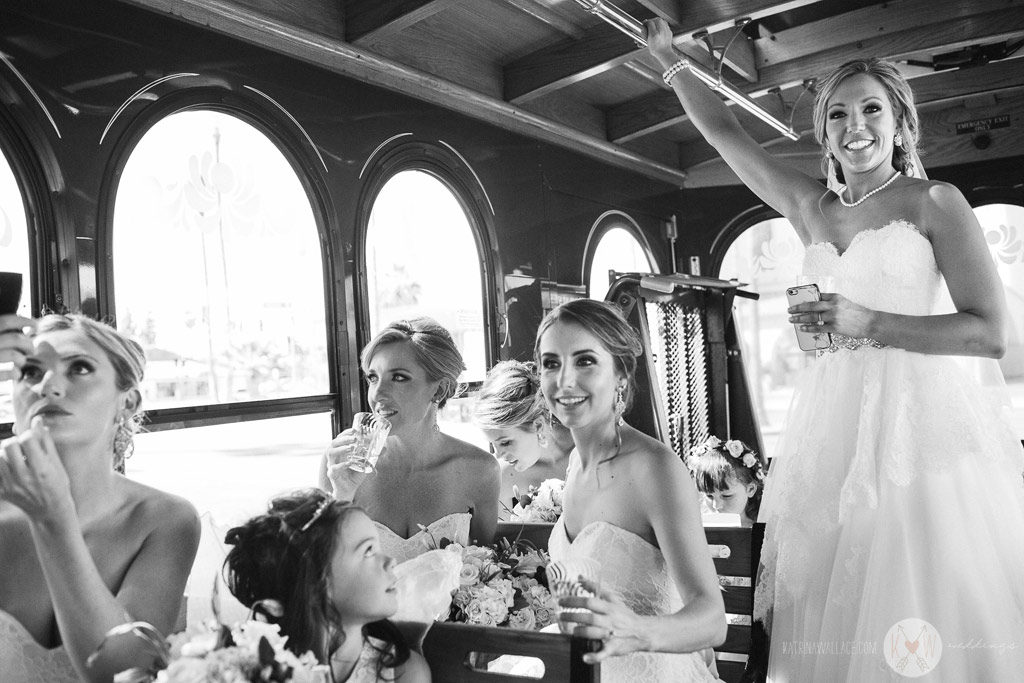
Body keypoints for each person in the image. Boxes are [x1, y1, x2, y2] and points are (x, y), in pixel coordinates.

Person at [647, 17, 1024, 680]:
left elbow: (990, 333)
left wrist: (865, 319)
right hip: (833, 440)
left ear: (902, 124)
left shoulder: (937, 202)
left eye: (873, 110)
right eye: (840, 115)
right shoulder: (811, 209)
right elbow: (723, 132)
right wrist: (670, 62)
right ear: (823, 135)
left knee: (923, 602)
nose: (857, 126)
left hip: (917, 439)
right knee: (834, 615)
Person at [0, 313, 200, 683]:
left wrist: (53, 520)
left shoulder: (165, 520)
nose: (49, 387)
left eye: (78, 368)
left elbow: (124, 673)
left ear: (127, 403)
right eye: (29, 372)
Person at [536, 298, 726, 681]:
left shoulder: (654, 469)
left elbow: (712, 621)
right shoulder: (574, 465)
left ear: (621, 373)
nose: (564, 381)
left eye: (585, 361)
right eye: (551, 363)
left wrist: (636, 630)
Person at [319, 318, 499, 561]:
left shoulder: (480, 470)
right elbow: (322, 571)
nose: (377, 394)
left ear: (440, 390)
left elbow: (488, 569)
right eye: (373, 378)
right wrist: (342, 493)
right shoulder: (341, 463)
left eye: (399, 377)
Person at [224, 489, 431, 682]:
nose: (390, 561)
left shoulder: (404, 673)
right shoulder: (251, 669)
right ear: (314, 584)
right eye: (368, 551)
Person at [473, 360, 573, 516]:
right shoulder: (502, 477)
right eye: (493, 444)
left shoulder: (589, 455)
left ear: (538, 426)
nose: (498, 455)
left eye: (505, 442)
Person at [687, 437, 766, 528]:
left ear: (750, 489)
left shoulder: (760, 531)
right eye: (709, 496)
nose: (716, 506)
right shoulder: (699, 529)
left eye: (726, 496)